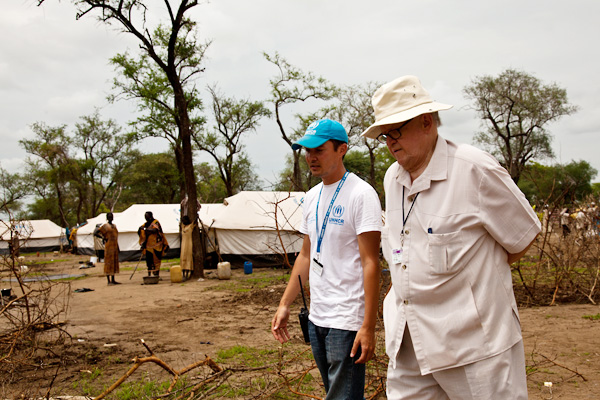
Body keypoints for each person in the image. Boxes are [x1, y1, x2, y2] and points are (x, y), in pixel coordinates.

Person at [361, 76, 541, 400]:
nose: (389, 142)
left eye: (396, 131)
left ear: (427, 122)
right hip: (409, 341)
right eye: (384, 135)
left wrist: (477, 279)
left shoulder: (473, 169)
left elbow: (522, 237)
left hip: (475, 349)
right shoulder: (393, 178)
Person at [271, 119, 382, 400]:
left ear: (342, 149)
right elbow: (307, 255)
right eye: (307, 151)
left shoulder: (361, 194)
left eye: (319, 150)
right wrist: (285, 304)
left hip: (346, 320)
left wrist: (368, 326)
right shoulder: (311, 197)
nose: (311, 157)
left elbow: (371, 263)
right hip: (317, 317)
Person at [138, 211, 169, 278]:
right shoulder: (145, 224)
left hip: (157, 245)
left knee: (156, 260)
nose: (146, 218)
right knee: (149, 261)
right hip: (148, 246)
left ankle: (156, 275)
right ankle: (149, 275)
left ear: (151, 216)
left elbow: (155, 230)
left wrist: (146, 229)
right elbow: (140, 229)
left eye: (147, 216)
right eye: (145, 217)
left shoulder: (155, 222)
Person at [94, 213, 120, 285]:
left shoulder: (114, 226)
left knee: (114, 262)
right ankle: (108, 281)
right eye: (109, 217)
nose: (111, 218)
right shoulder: (105, 226)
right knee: (108, 262)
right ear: (107, 218)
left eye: (112, 216)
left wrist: (118, 246)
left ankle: (113, 279)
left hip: (114, 246)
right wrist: (103, 238)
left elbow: (115, 236)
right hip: (109, 246)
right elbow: (95, 232)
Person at [180, 215, 195, 281]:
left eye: (184, 220)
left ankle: (187, 274)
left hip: (189, 244)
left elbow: (195, 221)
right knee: (183, 258)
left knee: (188, 258)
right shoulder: (183, 227)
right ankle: (183, 274)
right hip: (183, 245)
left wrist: (197, 216)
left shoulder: (190, 226)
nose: (183, 221)